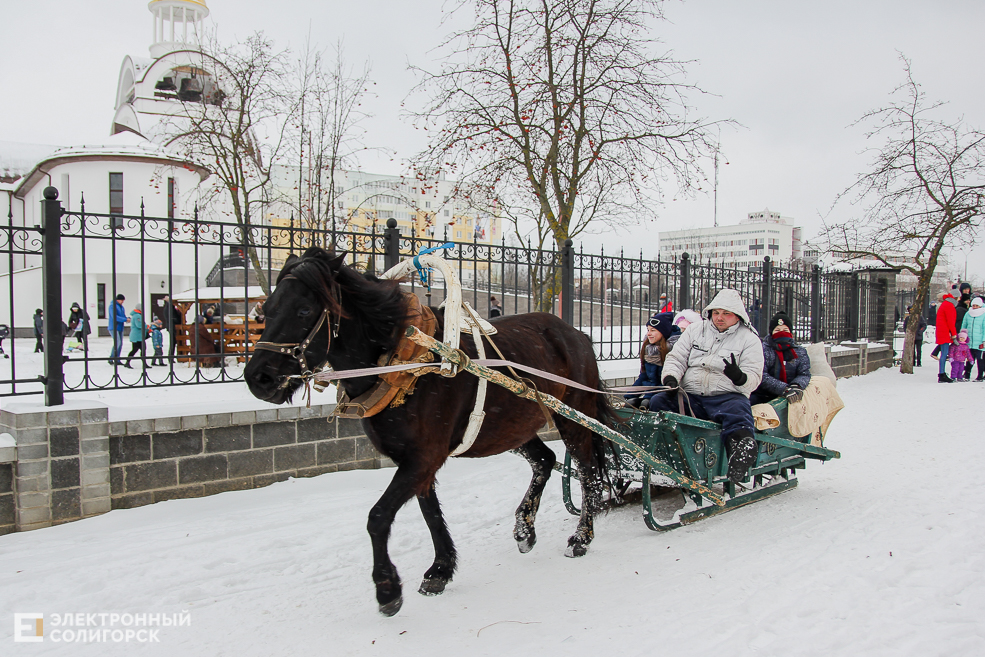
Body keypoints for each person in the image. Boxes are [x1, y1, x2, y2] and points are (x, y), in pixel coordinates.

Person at [645, 289, 764, 484]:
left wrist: (740, 377)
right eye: (716, 312)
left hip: (726, 396)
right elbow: (677, 357)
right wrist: (671, 378)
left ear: (738, 316)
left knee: (738, 412)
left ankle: (741, 453)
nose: (719, 318)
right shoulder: (695, 330)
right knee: (659, 402)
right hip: (691, 396)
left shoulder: (749, 339)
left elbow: (754, 376)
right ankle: (667, 455)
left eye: (726, 313)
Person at [749, 311, 812, 406]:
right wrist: (783, 388)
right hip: (763, 395)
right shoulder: (762, 349)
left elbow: (804, 373)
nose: (782, 333)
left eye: (785, 330)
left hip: (791, 393)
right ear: (771, 332)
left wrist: (796, 385)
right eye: (777, 330)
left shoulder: (799, 351)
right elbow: (761, 375)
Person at [625, 312, 674, 409]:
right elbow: (643, 376)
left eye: (653, 330)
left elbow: (665, 382)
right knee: (629, 403)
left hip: (664, 395)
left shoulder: (671, 351)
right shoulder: (648, 350)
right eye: (648, 330)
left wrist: (648, 397)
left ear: (663, 332)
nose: (649, 334)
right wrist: (628, 396)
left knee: (646, 404)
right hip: (649, 393)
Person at [935, 292, 959, 382]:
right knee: (944, 354)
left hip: (941, 331)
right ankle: (942, 374)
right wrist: (954, 335)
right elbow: (951, 322)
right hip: (945, 332)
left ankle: (942, 374)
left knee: (944, 353)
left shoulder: (944, 304)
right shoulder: (949, 306)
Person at [961, 296, 985, 382]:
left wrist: (984, 340)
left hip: (980, 342)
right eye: (973, 305)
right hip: (969, 341)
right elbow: (964, 325)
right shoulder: (968, 313)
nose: (974, 307)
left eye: (976, 305)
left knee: (980, 359)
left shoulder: (983, 314)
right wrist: (963, 336)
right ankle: (967, 374)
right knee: (969, 358)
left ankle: (980, 375)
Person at [123, 303, 149, 369]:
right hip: (137, 337)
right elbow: (139, 325)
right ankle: (128, 362)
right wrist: (147, 326)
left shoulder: (136, 315)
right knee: (138, 349)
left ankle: (129, 362)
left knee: (138, 349)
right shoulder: (137, 316)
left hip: (137, 336)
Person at [163, 295, 184, 363]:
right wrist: (179, 320)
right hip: (173, 326)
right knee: (173, 342)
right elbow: (173, 317)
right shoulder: (169, 308)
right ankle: (171, 357)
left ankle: (173, 356)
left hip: (172, 326)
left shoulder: (168, 307)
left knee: (174, 342)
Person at [108, 294, 127, 365]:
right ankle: (112, 357)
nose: (122, 302)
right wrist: (125, 319)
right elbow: (115, 317)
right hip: (114, 327)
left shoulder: (121, 307)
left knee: (120, 343)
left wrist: (126, 319)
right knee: (117, 342)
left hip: (120, 327)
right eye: (121, 300)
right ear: (117, 300)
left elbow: (122, 316)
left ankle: (117, 359)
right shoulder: (112, 306)